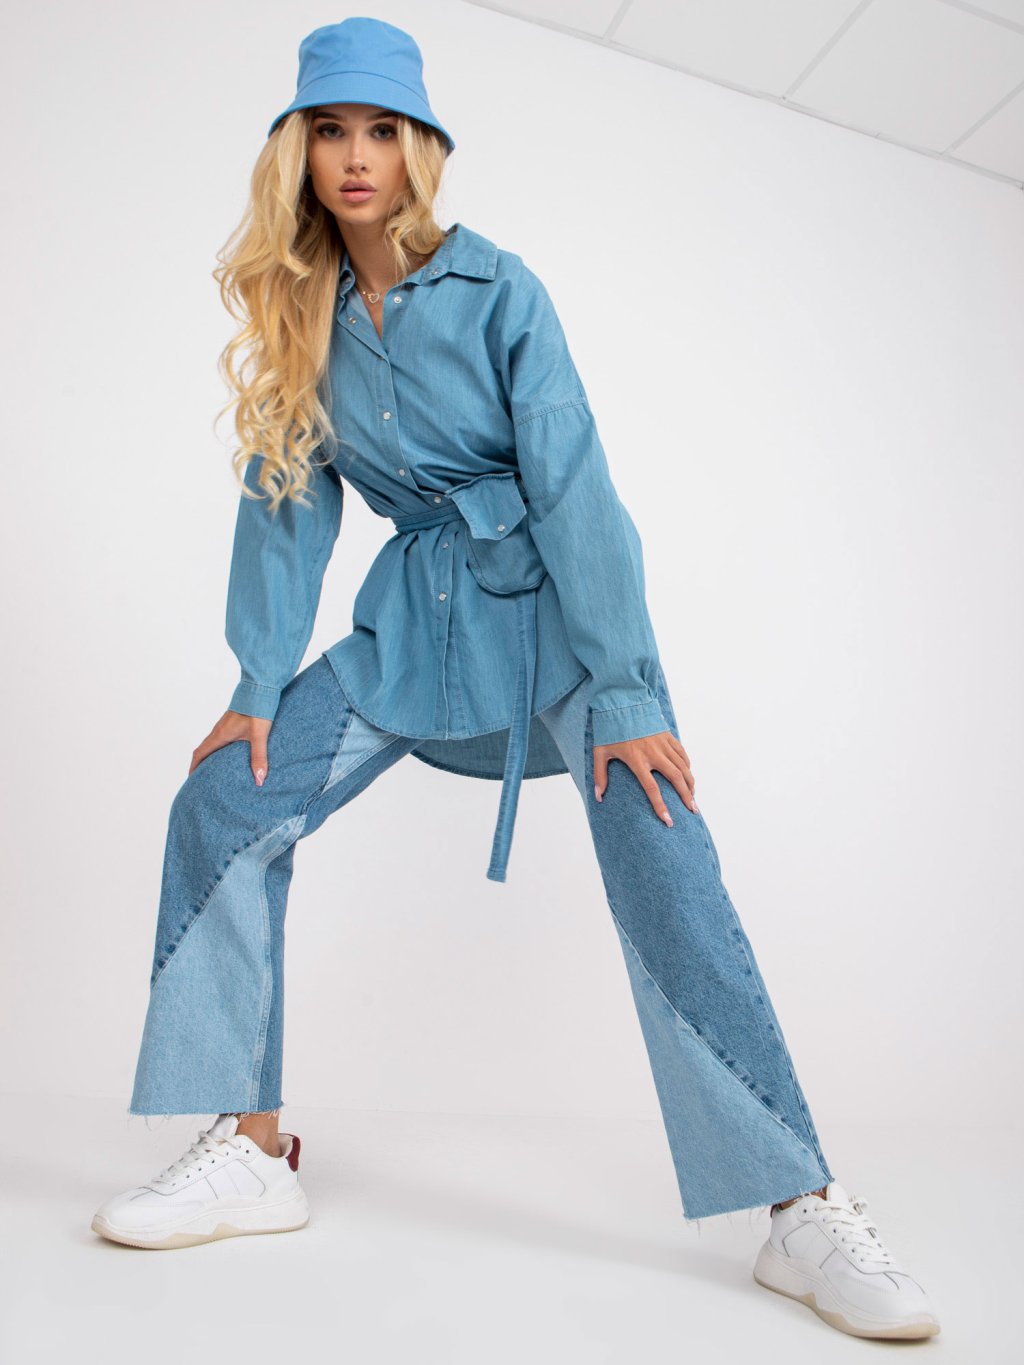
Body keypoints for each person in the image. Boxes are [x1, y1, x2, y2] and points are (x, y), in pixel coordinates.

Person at [91, 16, 939, 1343]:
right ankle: (253, 1151)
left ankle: (802, 1206)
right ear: (297, 151)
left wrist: (629, 690)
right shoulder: (303, 315)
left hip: (555, 621)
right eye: (330, 131)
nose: (356, 156)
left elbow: (574, 485)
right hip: (411, 629)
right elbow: (287, 505)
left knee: (664, 847)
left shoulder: (500, 289)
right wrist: (257, 681)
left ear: (420, 148)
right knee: (223, 800)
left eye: (383, 131)